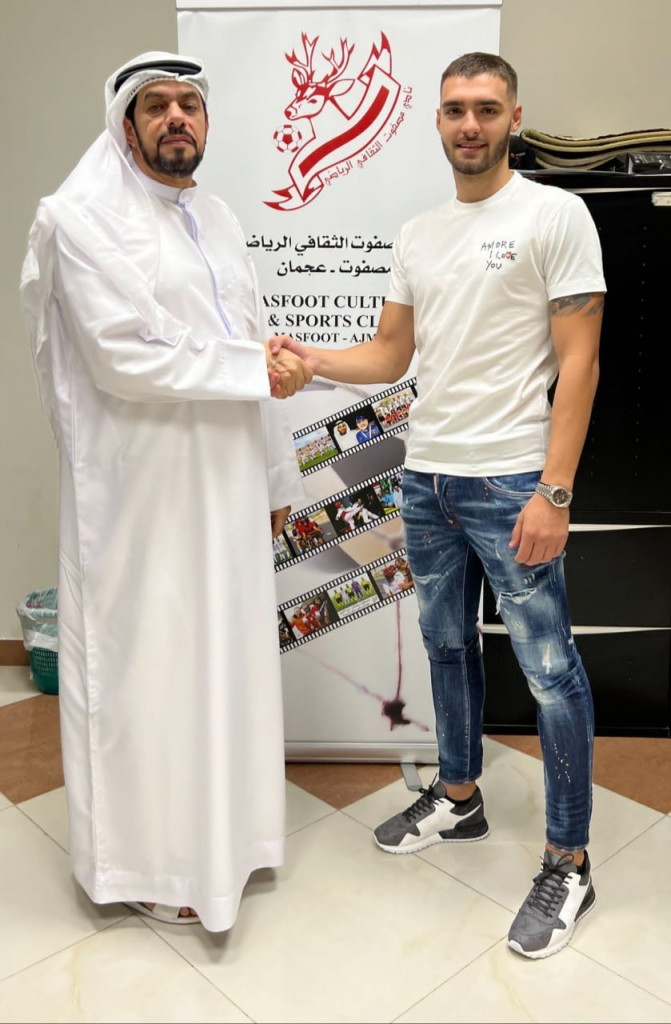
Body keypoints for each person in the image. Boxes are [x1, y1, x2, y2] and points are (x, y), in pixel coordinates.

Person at [273, 51, 605, 959]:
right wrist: (310, 359)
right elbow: (390, 355)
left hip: (511, 482)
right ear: (437, 120)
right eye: (455, 108)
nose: (470, 124)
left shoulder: (554, 214)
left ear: (513, 117)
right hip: (426, 480)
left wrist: (553, 490)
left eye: (486, 108)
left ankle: (568, 860)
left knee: (549, 672)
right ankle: (458, 799)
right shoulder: (418, 234)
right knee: (446, 645)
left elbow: (579, 361)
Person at [20, 51, 313, 931]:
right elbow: (123, 357)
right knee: (149, 669)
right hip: (139, 497)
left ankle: (229, 846)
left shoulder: (216, 218)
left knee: (224, 661)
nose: (177, 117)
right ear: (125, 124)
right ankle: (145, 862)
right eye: (157, 105)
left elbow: (252, 337)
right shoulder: (78, 220)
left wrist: (274, 472)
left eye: (190, 104)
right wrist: (256, 369)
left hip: (227, 485)